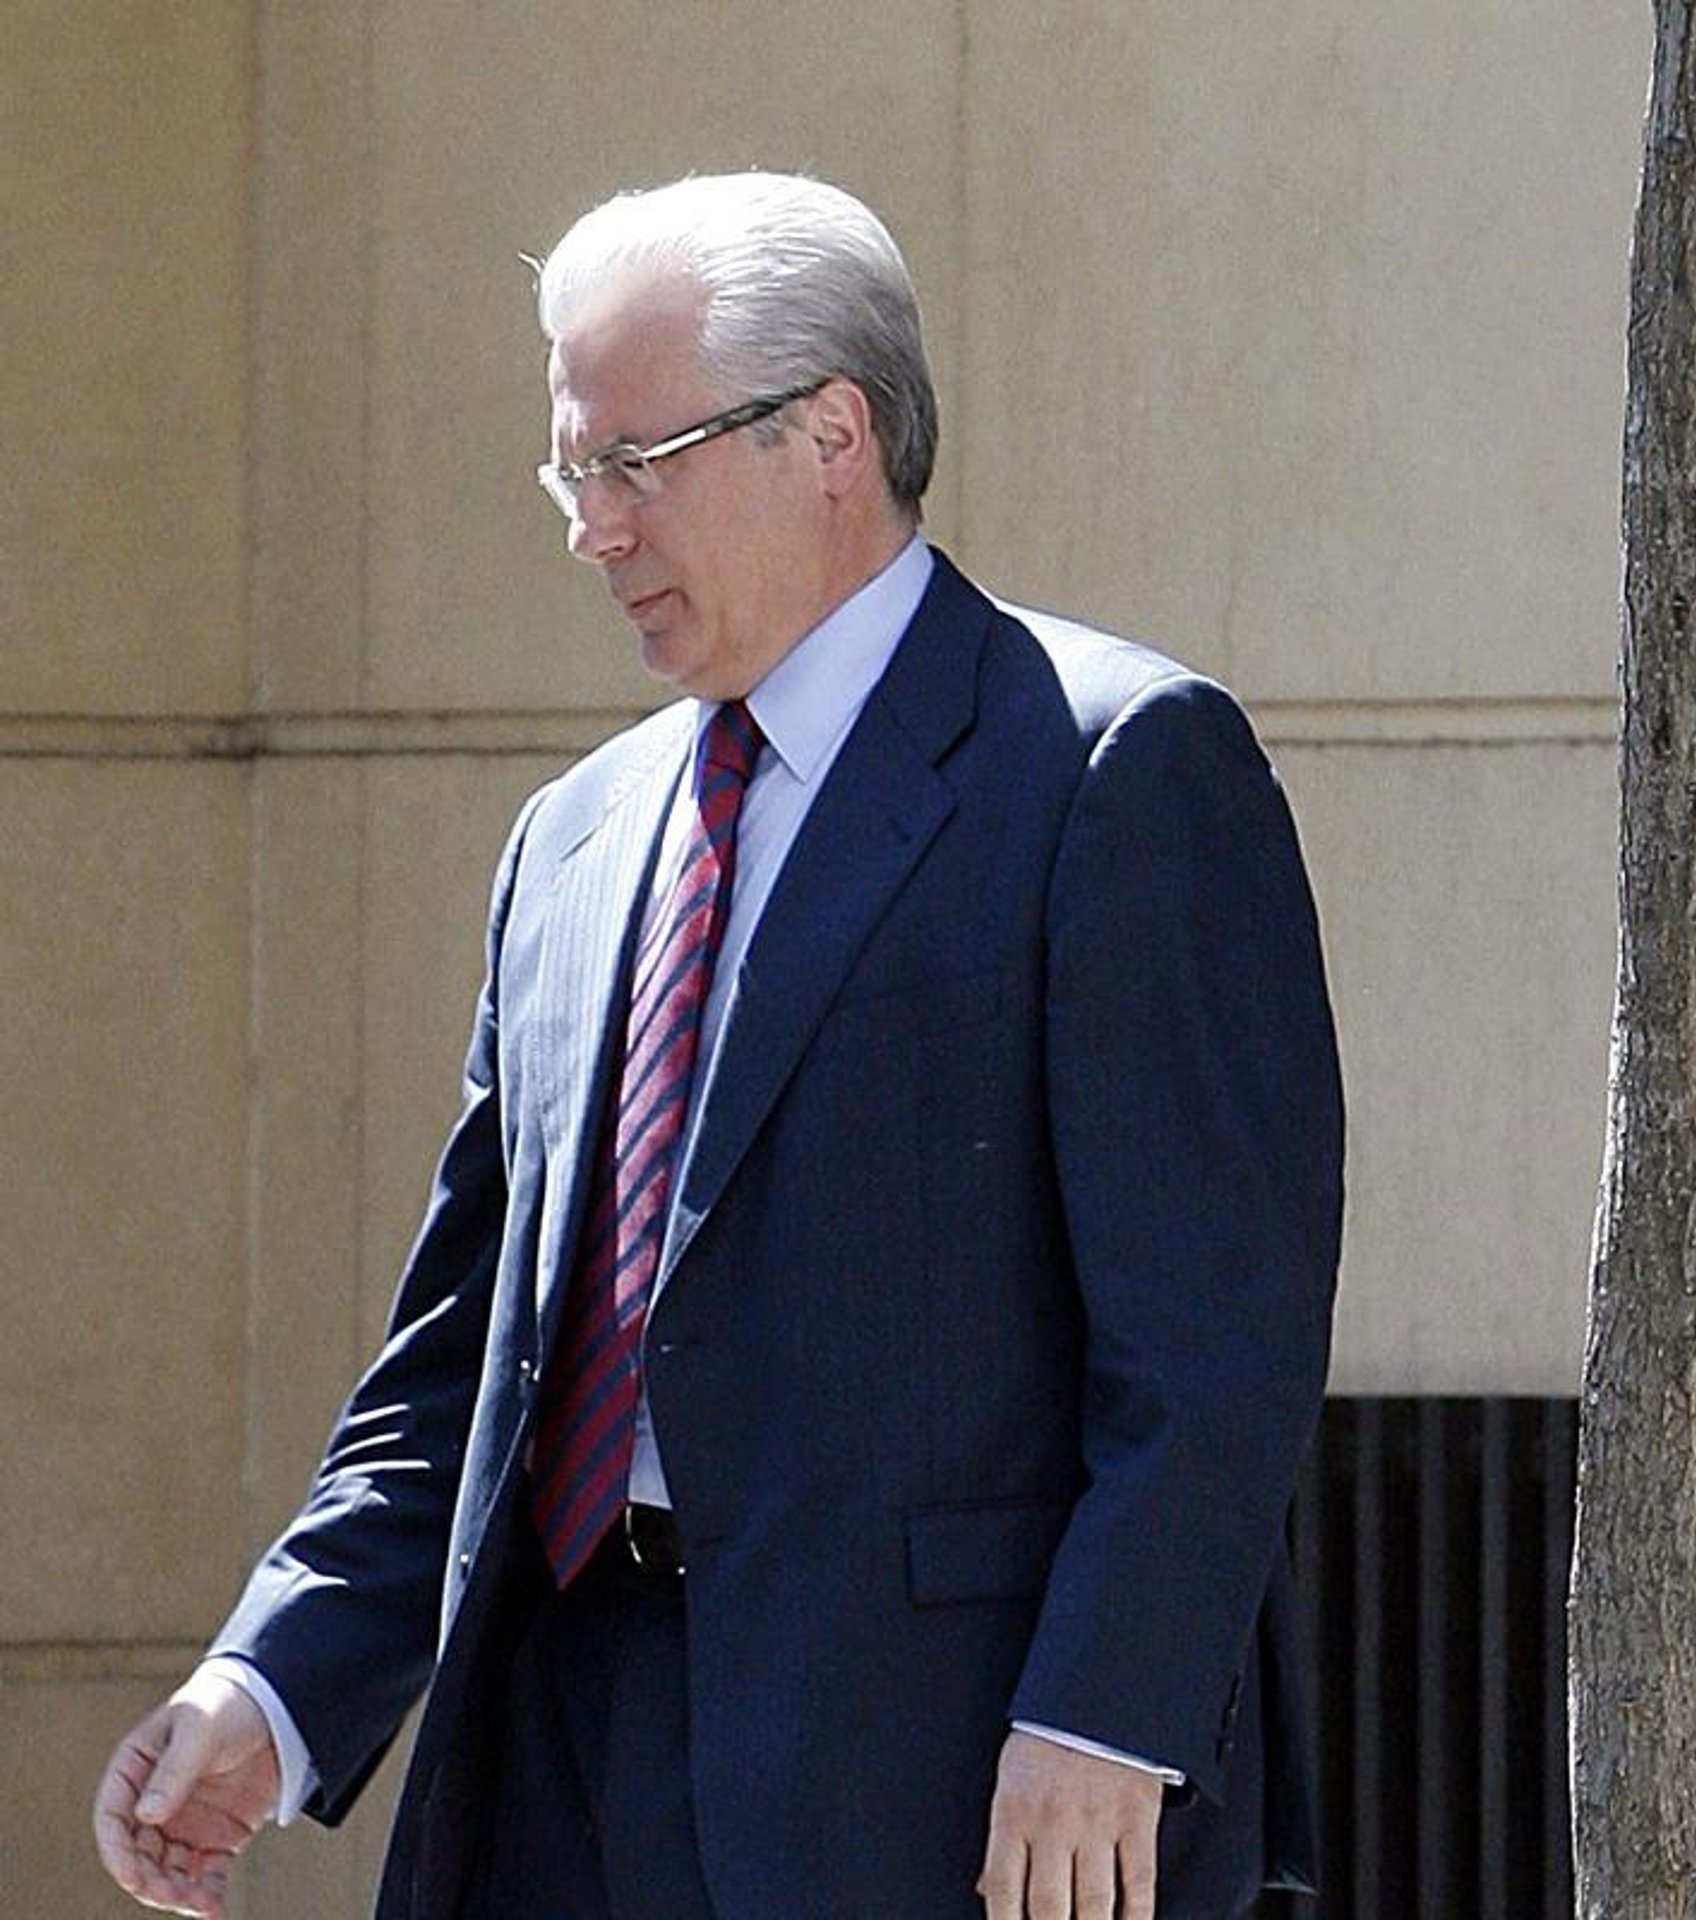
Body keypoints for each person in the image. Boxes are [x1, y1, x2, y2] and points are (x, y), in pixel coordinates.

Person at [93, 171, 1343, 1920]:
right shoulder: (574, 840)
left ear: (829, 436)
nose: (591, 531)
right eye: (570, 474)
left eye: (633, 463)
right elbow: (471, 1355)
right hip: (560, 1760)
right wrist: (275, 1688)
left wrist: (1105, 1714)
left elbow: (1216, 1338)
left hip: (937, 1777)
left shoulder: (1109, 770)